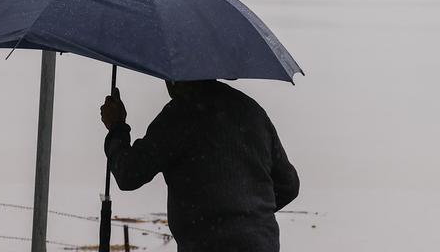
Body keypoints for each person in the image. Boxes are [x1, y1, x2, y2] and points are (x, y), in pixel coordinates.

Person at [100, 79, 300, 252]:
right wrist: (248, 213)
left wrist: (117, 127)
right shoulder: (252, 111)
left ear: (176, 78)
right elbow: (289, 185)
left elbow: (129, 173)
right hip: (262, 244)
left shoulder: (180, 114)